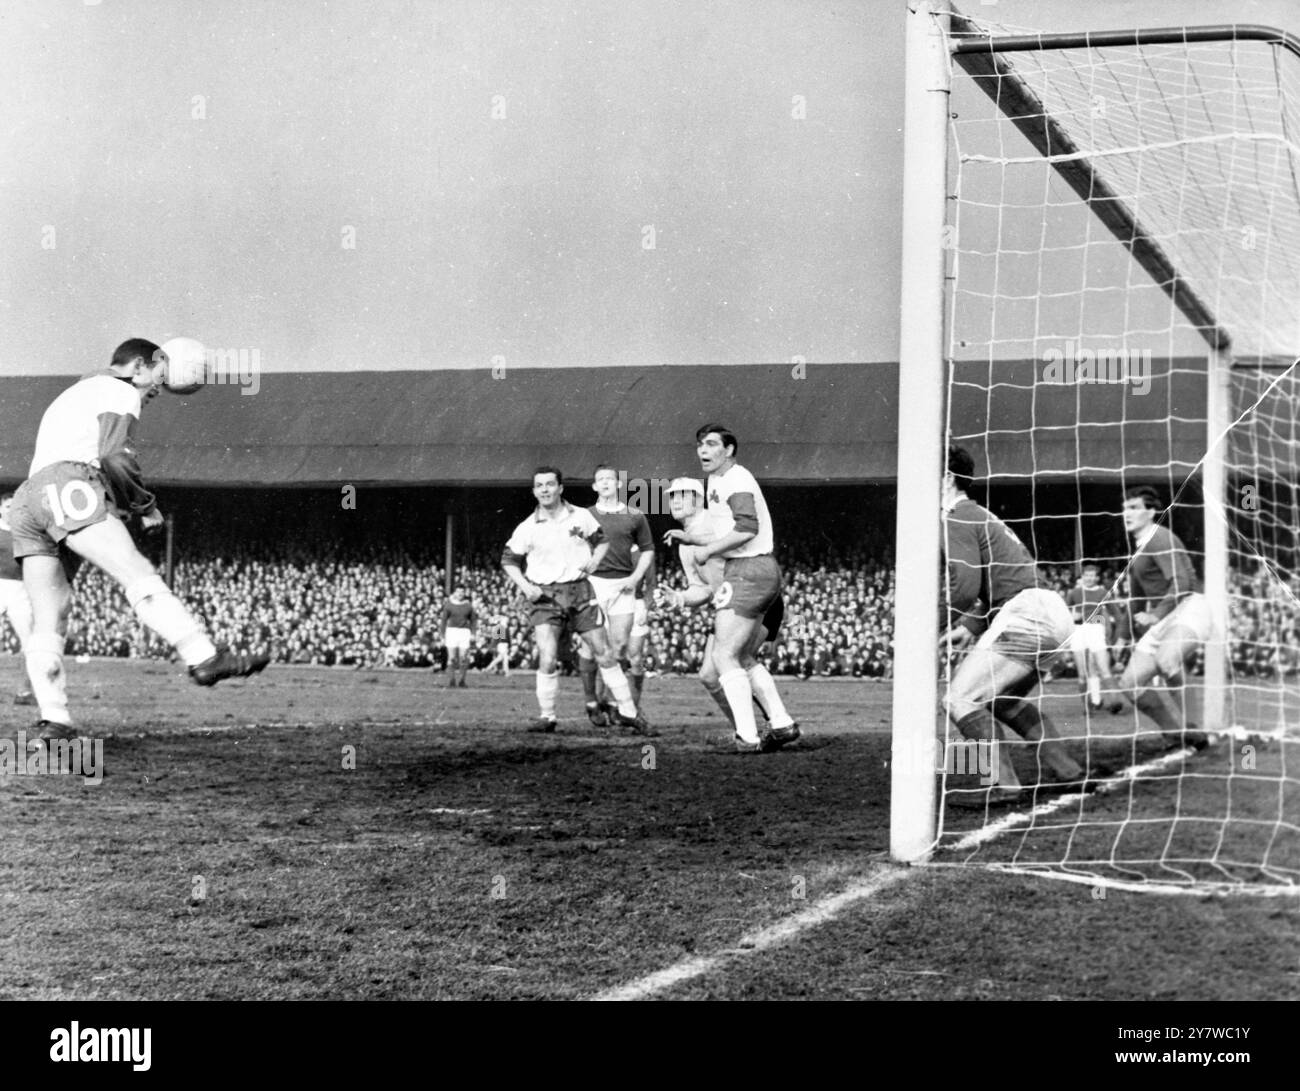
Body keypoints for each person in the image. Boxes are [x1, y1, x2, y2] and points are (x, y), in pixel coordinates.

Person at [6, 338, 270, 744]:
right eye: (157, 382)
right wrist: (144, 505)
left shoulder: (80, 388)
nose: (154, 393)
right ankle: (203, 655)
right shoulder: (119, 389)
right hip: (67, 483)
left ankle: (54, 718)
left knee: (49, 615)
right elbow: (115, 457)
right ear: (142, 366)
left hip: (28, 499)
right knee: (136, 571)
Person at [940, 445, 1084, 802]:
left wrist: (932, 626)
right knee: (1002, 702)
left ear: (946, 478)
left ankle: (1002, 784)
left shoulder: (956, 516)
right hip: (1050, 611)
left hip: (1026, 615)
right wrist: (968, 627)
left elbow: (965, 588)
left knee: (960, 699)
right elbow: (1001, 583)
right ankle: (1069, 772)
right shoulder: (980, 515)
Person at [671, 424, 797, 753]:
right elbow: (722, 530)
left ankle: (747, 737)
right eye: (700, 444)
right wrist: (693, 539)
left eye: (712, 444)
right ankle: (781, 723)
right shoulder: (717, 481)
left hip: (748, 569)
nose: (703, 450)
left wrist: (706, 550)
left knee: (723, 655)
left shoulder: (737, 480)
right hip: (751, 570)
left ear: (728, 450)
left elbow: (746, 528)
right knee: (739, 655)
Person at [501, 466, 652, 735]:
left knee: (604, 653)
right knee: (547, 658)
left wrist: (593, 562)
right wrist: (526, 586)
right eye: (539, 486)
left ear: (560, 488)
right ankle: (547, 716)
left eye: (550, 484)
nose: (545, 490)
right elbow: (509, 561)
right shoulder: (527, 527)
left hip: (580, 591)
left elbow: (602, 540)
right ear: (534, 491)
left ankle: (629, 712)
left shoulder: (581, 516)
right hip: (545, 596)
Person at [1110, 487, 1211, 749]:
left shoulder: (1160, 538)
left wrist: (1155, 614)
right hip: (1165, 615)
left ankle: (1195, 728)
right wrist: (1121, 636)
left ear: (1152, 511)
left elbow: (1183, 582)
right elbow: (1135, 599)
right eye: (1125, 508)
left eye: (1134, 507)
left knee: (1167, 661)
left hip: (1190, 607)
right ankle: (1174, 732)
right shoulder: (1138, 550)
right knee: (1129, 683)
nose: (1127, 513)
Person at [578, 465, 655, 726]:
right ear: (595, 486)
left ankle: (611, 702)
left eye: (610, 479)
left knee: (620, 647)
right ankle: (591, 701)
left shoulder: (634, 515)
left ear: (618, 484)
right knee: (592, 645)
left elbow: (647, 551)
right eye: (601, 479)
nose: (606, 483)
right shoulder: (585, 515)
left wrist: (635, 578)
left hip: (624, 586)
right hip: (594, 584)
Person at [1065, 562, 1123, 712]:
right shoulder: (1074, 592)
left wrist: (1118, 635)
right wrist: (1073, 617)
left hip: (1096, 629)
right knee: (1083, 673)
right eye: (1086, 576)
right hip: (1078, 631)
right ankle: (1091, 704)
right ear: (1082, 577)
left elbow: (1116, 613)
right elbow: (1064, 614)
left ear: (1096, 578)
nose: (1089, 579)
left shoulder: (1103, 592)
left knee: (1103, 667)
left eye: (1092, 576)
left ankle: (1115, 701)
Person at [0, 493, 36, 705]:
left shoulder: (26, 531)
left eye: (14, 506)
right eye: (7, 505)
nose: (10, 510)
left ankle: (25, 691)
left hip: (20, 589)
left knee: (29, 642)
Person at [439, 586, 475, 687]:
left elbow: (473, 621)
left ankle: (462, 680)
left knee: (463, 658)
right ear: (454, 593)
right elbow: (443, 621)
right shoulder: (449, 605)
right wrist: (442, 635)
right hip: (452, 632)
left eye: (462, 591)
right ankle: (452, 680)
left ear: (464, 593)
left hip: (464, 632)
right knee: (452, 657)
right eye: (458, 591)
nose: (460, 593)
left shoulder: (468, 605)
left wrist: (473, 633)